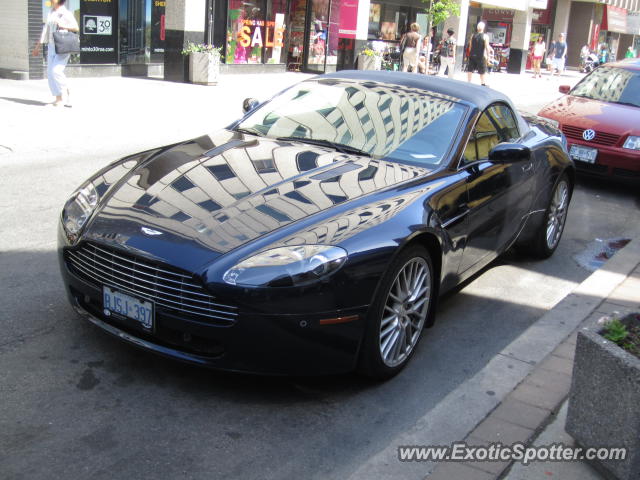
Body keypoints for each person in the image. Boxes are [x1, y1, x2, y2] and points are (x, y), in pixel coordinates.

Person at [31, 0, 79, 107]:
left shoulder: (66, 13)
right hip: (51, 45)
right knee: (50, 73)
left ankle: (66, 93)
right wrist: (38, 46)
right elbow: (45, 30)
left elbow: (76, 27)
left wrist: (63, 25)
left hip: (62, 45)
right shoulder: (50, 12)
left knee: (56, 70)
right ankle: (58, 98)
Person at [467, 22, 491, 86]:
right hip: (481, 55)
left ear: (477, 28)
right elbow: (487, 47)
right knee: (482, 70)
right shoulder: (485, 36)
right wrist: (488, 57)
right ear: (483, 28)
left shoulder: (473, 35)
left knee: (470, 69)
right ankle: (483, 83)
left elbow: (470, 46)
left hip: (472, 55)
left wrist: (470, 53)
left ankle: (469, 82)